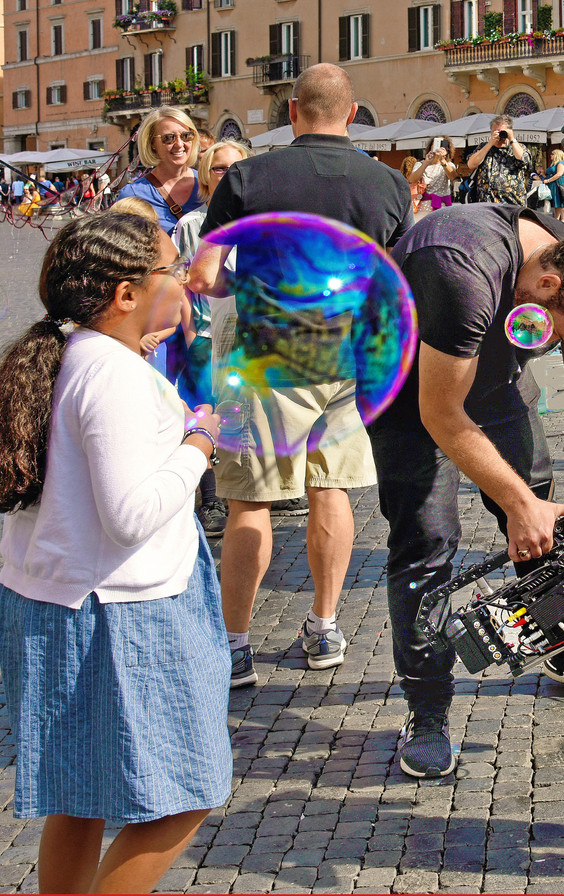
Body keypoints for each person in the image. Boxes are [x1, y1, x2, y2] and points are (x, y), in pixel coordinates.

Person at [0, 212, 228, 893]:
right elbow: (131, 514)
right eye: (171, 268)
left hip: (54, 598)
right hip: (117, 611)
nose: (186, 278)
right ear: (125, 294)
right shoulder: (110, 374)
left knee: (76, 798)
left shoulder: (78, 353)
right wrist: (198, 446)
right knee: (187, 791)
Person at [370, 205, 564, 776]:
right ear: (548, 287)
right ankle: (427, 710)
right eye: (563, 335)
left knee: (547, 527)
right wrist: (518, 501)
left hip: (496, 384)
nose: (561, 346)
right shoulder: (460, 266)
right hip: (405, 393)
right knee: (426, 548)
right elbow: (440, 412)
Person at [189, 64, 413, 688]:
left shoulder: (248, 176)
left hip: (266, 359)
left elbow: (204, 276)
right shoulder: (389, 184)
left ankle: (236, 645)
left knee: (249, 503)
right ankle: (325, 625)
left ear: (293, 111)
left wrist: (247, 285)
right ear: (353, 113)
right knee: (330, 491)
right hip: (350, 364)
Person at [173, 138, 251, 538]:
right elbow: (183, 283)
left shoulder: (256, 223)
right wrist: (190, 335)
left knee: (244, 409)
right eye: (219, 167)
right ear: (206, 174)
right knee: (205, 409)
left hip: (249, 332)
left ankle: (246, 487)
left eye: (235, 167)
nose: (227, 174)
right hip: (205, 331)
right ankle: (212, 497)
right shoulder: (191, 225)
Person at [117, 109, 203, 236]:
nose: (179, 144)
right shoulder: (133, 195)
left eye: (186, 136)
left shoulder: (209, 184)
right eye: (169, 138)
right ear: (152, 143)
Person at [465, 116, 534, 205]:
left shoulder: (518, 147)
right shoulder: (484, 147)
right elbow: (471, 164)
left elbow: (524, 160)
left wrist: (512, 139)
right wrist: (490, 144)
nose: (500, 135)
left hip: (512, 204)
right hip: (486, 204)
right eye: (496, 131)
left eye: (503, 132)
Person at [412, 138, 457, 215]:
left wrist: (443, 160)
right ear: (431, 146)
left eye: (442, 144)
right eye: (437, 143)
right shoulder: (420, 164)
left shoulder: (448, 165)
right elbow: (413, 179)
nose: (439, 147)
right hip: (423, 206)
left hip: (442, 205)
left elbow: (452, 177)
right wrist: (426, 162)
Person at [544, 147, 564, 222]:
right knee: (557, 203)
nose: (551, 156)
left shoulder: (561, 163)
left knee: (560, 203)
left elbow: (559, 174)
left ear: (557, 155)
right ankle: (557, 220)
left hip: (559, 184)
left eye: (552, 154)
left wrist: (548, 180)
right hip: (555, 184)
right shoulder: (554, 163)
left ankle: (561, 221)